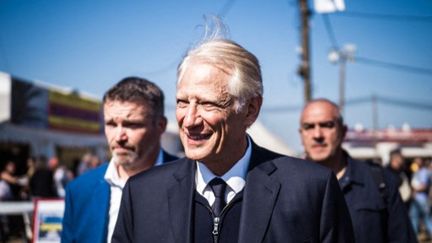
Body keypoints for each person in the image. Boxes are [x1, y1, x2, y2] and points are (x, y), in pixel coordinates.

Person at [112, 33, 354, 242]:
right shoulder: (142, 194)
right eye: (182, 102)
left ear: (250, 110)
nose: (190, 119)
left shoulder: (311, 190)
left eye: (208, 103)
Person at [61, 77, 178, 243]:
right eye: (111, 124)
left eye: (131, 124)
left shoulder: (192, 183)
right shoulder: (79, 191)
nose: (119, 137)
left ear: (160, 125)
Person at [298, 98, 417, 243]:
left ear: (343, 131)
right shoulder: (284, 186)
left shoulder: (380, 182)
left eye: (327, 125)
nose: (317, 135)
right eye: (309, 127)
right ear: (301, 134)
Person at [409, 157, 432, 238]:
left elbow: (424, 186)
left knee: (427, 219)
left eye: (417, 161)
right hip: (415, 200)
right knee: (413, 218)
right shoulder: (416, 172)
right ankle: (413, 237)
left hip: (423, 200)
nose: (416, 163)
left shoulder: (425, 172)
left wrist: (415, 190)